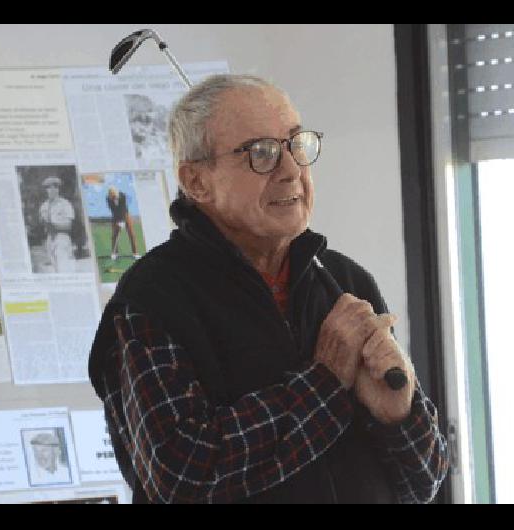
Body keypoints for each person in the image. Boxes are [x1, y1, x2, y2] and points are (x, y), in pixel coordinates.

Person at [87, 74, 449, 504]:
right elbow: (184, 477)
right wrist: (326, 381)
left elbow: (423, 482)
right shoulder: (152, 299)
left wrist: (399, 416)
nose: (292, 170)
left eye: (297, 144)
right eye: (261, 153)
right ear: (197, 181)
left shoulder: (345, 281)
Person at [38, 176, 75, 273]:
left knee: (64, 268)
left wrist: (54, 226)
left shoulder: (65, 204)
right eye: (48, 188)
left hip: (62, 238)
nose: (51, 190)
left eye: (54, 187)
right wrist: (44, 224)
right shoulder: (44, 206)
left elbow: (69, 226)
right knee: (56, 270)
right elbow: (42, 224)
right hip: (50, 239)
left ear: (58, 189)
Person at [106, 186, 140, 261]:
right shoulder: (108, 198)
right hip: (115, 217)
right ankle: (115, 253)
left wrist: (123, 221)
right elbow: (113, 210)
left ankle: (135, 253)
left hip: (126, 215)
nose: (112, 197)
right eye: (111, 196)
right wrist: (118, 222)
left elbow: (123, 209)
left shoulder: (122, 196)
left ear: (116, 194)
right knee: (115, 235)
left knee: (131, 234)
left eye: (113, 195)